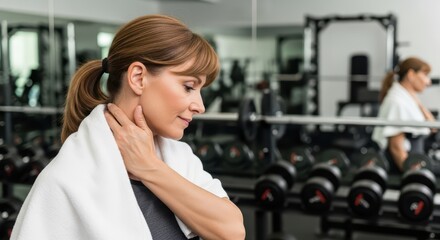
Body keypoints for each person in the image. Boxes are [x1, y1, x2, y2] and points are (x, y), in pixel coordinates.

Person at [11, 14, 245, 240]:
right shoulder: (66, 179)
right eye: (188, 87)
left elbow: (232, 232)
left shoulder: (180, 159)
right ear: (138, 78)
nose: (200, 106)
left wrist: (149, 167)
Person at [372, 57, 435, 173]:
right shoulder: (397, 102)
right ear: (411, 74)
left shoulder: (409, 98)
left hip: (418, 160)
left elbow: (433, 127)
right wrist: (412, 176)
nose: (428, 82)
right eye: (425, 75)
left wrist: (418, 103)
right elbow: (396, 147)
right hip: (407, 167)